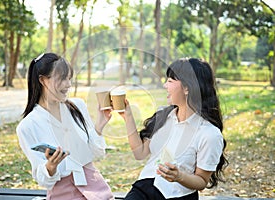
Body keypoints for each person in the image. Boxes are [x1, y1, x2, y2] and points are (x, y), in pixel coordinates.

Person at [120, 58, 228, 200]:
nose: (165, 85)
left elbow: (202, 181)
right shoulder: (164, 117)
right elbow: (139, 152)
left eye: (170, 81)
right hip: (143, 189)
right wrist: (128, 116)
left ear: (187, 87)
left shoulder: (209, 134)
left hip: (176, 195)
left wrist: (179, 176)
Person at [16, 53, 114, 200]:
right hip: (62, 194)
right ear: (43, 80)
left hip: (96, 189)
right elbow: (43, 180)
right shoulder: (28, 126)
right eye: (62, 78)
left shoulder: (78, 107)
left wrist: (99, 126)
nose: (68, 84)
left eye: (69, 78)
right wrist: (51, 167)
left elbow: (97, 154)